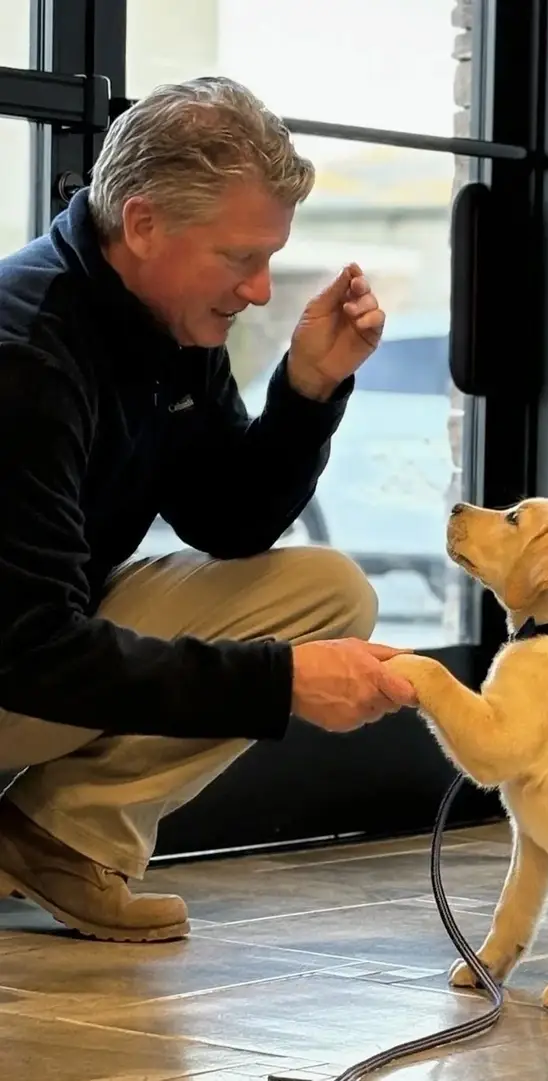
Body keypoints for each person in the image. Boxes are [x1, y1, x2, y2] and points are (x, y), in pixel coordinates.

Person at [0, 75, 419, 944]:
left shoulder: (165, 324)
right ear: (144, 222)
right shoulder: (25, 357)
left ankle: (59, 841)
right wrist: (284, 682)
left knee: (326, 595)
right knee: (291, 653)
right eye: (240, 259)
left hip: (25, 651)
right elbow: (28, 655)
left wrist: (308, 388)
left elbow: (227, 523)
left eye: (268, 257)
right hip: (14, 658)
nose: (261, 290)